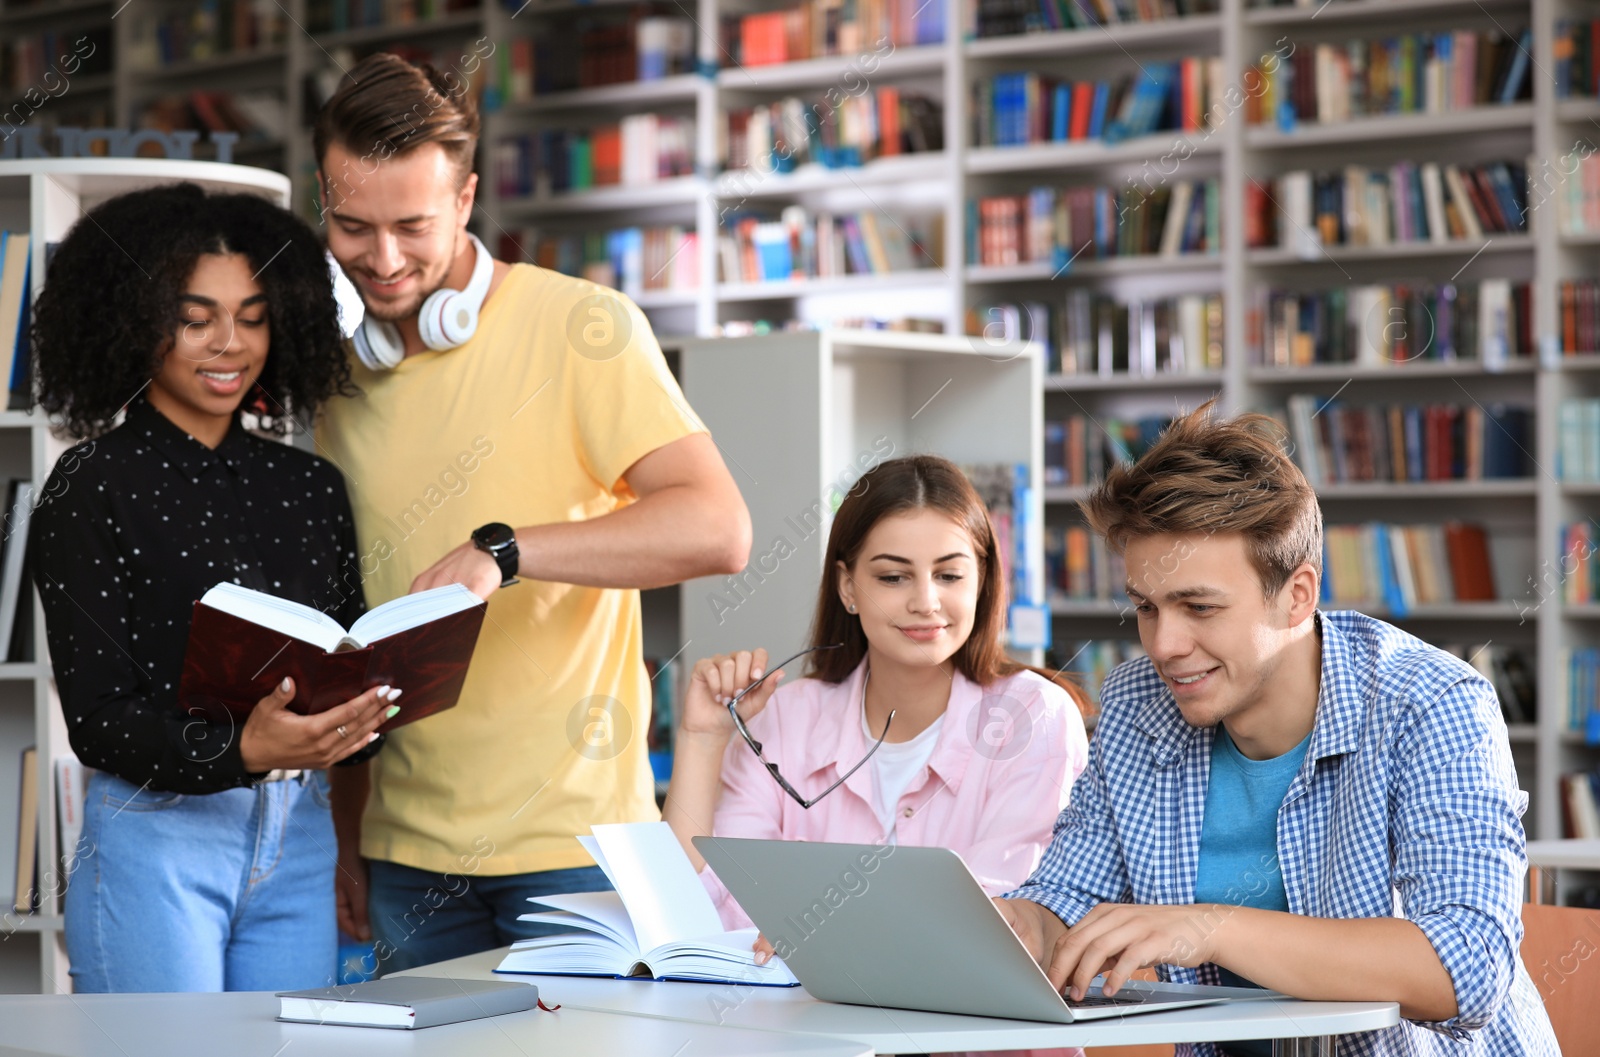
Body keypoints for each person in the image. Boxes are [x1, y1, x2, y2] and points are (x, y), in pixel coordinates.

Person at [312, 52, 752, 974]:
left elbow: (718, 527)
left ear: (467, 198)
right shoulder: (334, 377)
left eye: (412, 226)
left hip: (576, 846)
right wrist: (347, 835)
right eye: (352, 226)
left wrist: (503, 551)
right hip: (402, 851)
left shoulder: (583, 326)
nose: (382, 260)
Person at [995, 402, 1559, 1056]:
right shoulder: (1136, 704)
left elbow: (1469, 969)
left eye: (1199, 606)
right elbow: (1066, 898)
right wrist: (1019, 927)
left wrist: (1210, 926)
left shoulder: (1432, 703)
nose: (1165, 644)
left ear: (1298, 594)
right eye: (1146, 608)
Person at [29, 183, 395, 992]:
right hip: (156, 840)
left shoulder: (310, 486)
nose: (231, 343)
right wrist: (243, 747)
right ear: (134, 322)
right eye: (196, 318)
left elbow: (347, 654)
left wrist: (361, 716)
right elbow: (98, 720)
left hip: (301, 840)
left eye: (255, 316)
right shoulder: (89, 486)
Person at [664, 455, 1091, 944]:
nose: (925, 602)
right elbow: (691, 908)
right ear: (848, 587)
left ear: (982, 581)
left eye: (949, 576)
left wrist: (824, 934)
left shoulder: (1033, 715)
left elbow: (999, 919)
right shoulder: (787, 716)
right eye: (893, 577)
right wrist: (702, 740)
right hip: (789, 1016)